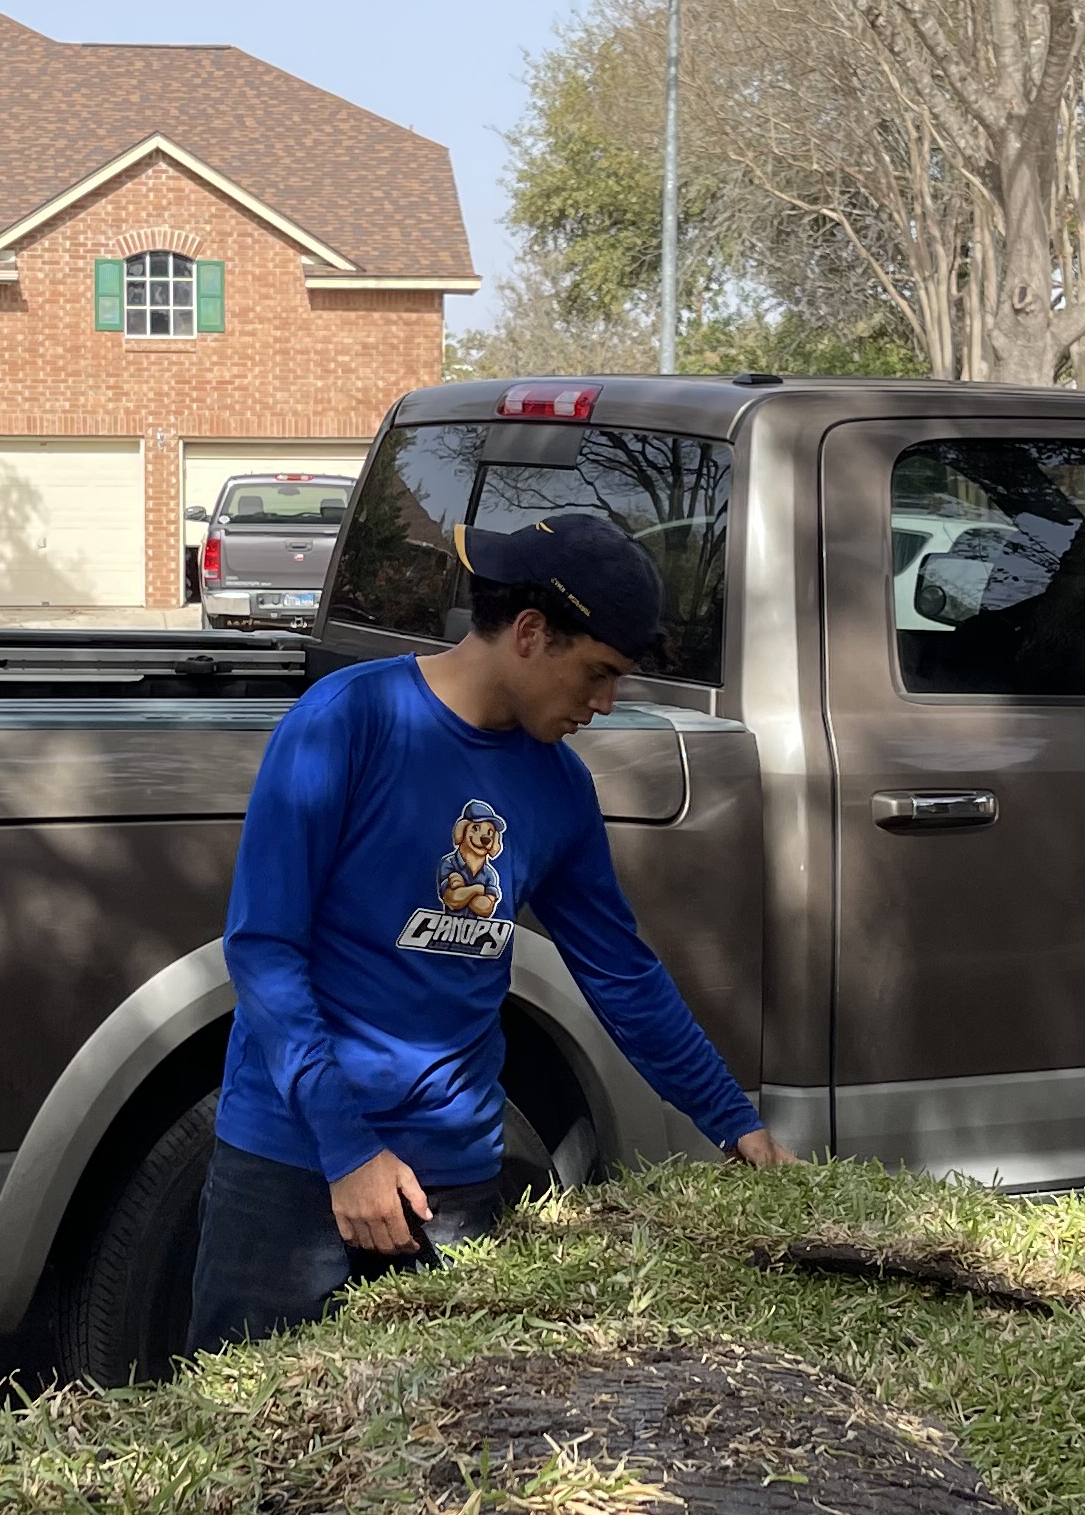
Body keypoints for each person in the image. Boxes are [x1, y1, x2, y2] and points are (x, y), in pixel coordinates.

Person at [189, 509, 789, 1348]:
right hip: (294, 1164)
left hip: (456, 1177)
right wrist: (348, 1149)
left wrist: (735, 1120)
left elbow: (621, 973)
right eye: (597, 673)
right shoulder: (347, 723)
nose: (605, 704)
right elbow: (264, 949)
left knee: (443, 1449)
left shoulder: (560, 788)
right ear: (532, 634)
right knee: (257, 1445)